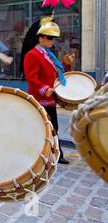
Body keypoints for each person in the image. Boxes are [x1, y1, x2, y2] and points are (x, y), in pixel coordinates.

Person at [21, 16, 74, 165]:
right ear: (41, 38)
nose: (53, 41)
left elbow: (58, 74)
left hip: (50, 99)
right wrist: (45, 90)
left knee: (52, 127)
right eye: (50, 38)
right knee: (44, 128)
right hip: (40, 99)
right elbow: (32, 78)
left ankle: (54, 154)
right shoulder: (32, 55)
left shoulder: (48, 54)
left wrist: (66, 64)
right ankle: (49, 154)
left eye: (53, 38)